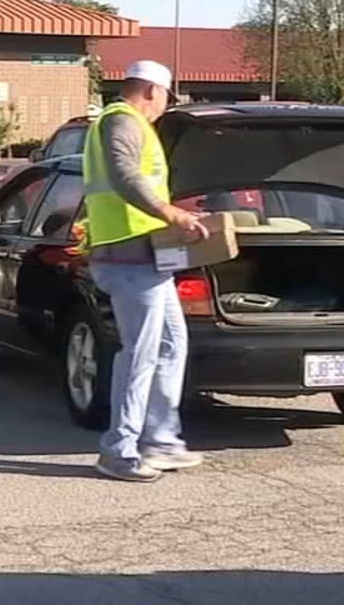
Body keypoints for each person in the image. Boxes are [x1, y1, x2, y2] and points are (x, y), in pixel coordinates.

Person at [82, 60, 210, 482]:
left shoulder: (125, 122)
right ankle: (119, 451)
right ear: (153, 91)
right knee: (140, 353)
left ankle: (162, 441)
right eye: (165, 99)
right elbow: (123, 175)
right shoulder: (123, 121)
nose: (163, 108)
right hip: (129, 257)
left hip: (142, 257)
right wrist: (170, 213)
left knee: (171, 344)